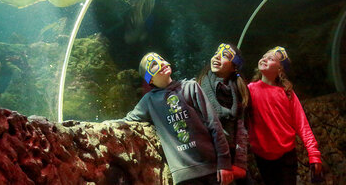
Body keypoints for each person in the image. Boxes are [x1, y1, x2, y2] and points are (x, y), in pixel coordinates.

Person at [124, 52, 234, 185]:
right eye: (153, 64)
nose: (161, 63)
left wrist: (224, 161)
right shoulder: (148, 101)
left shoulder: (191, 86)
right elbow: (126, 121)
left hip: (212, 168)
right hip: (184, 177)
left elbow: (214, 124)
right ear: (149, 79)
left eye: (161, 59)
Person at [247, 46, 323, 185]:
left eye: (270, 59)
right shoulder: (249, 90)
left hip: (286, 156)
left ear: (280, 69)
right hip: (262, 157)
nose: (264, 59)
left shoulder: (288, 93)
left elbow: (302, 125)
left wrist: (314, 154)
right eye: (264, 56)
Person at [197, 43, 250, 184]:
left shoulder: (240, 91)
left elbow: (242, 128)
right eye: (216, 53)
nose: (217, 57)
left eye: (225, 55)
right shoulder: (195, 87)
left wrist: (240, 164)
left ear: (235, 66)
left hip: (231, 154)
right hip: (207, 155)